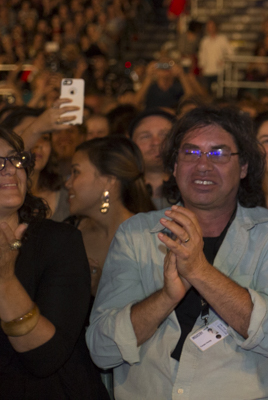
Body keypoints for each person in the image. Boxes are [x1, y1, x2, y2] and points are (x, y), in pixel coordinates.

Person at [87, 106, 268, 399]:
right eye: (190, 153)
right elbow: (102, 350)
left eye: (218, 154)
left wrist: (198, 271)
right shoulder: (137, 235)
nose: (203, 165)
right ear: (174, 166)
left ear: (243, 167)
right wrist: (166, 297)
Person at [0, 128, 108, 400]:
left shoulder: (58, 241)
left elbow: (45, 358)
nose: (10, 170)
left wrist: (5, 280)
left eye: (15, 160)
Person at [65, 136, 154, 295]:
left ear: (109, 181)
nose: (68, 183)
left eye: (76, 172)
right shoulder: (69, 231)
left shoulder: (146, 237)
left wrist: (100, 288)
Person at [129, 109, 177, 209]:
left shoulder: (194, 192)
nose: (156, 142)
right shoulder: (119, 195)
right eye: (145, 137)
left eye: (164, 135)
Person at [197, 20, 230, 95]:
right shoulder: (204, 41)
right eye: (208, 27)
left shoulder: (222, 39)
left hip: (219, 71)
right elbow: (202, 55)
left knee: (220, 92)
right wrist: (202, 67)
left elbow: (230, 53)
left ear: (216, 27)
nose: (210, 29)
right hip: (207, 71)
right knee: (207, 92)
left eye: (212, 27)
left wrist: (224, 61)